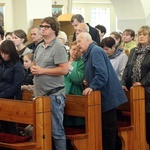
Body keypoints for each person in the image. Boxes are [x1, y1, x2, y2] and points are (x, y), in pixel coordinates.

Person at [76, 32, 127, 150]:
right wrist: (88, 81)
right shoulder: (89, 53)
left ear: (87, 40)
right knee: (104, 128)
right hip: (101, 96)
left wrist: (92, 86)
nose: (77, 44)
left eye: (79, 41)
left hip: (107, 96)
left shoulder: (96, 51)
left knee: (109, 128)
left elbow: (102, 74)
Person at [31, 16, 68, 150]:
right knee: (41, 130)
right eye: (42, 26)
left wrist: (42, 70)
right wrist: (34, 68)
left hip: (54, 94)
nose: (43, 29)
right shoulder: (40, 46)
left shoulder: (58, 47)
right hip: (40, 94)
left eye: (46, 27)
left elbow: (64, 69)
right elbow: (36, 64)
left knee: (56, 131)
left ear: (54, 30)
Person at [121, 25, 150, 145]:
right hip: (133, 90)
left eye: (144, 34)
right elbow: (127, 68)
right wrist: (123, 83)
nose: (141, 37)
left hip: (147, 90)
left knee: (147, 122)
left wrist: (142, 83)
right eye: (140, 35)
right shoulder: (134, 51)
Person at [0, 40, 25, 134]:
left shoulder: (17, 65)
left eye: (6, 53)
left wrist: (2, 95)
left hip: (12, 98)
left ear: (11, 53)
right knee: (2, 124)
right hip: (2, 98)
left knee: (11, 126)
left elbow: (16, 85)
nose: (3, 55)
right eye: (2, 53)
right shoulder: (2, 64)